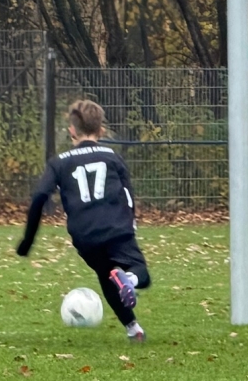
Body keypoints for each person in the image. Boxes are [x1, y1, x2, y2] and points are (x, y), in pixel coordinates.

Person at [17, 98, 151, 342]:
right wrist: (130, 222)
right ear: (101, 130)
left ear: (72, 130)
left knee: (107, 274)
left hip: (84, 236)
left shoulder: (59, 163)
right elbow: (128, 194)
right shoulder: (113, 157)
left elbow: (39, 197)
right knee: (139, 272)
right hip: (116, 228)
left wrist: (27, 241)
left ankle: (133, 328)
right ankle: (130, 280)